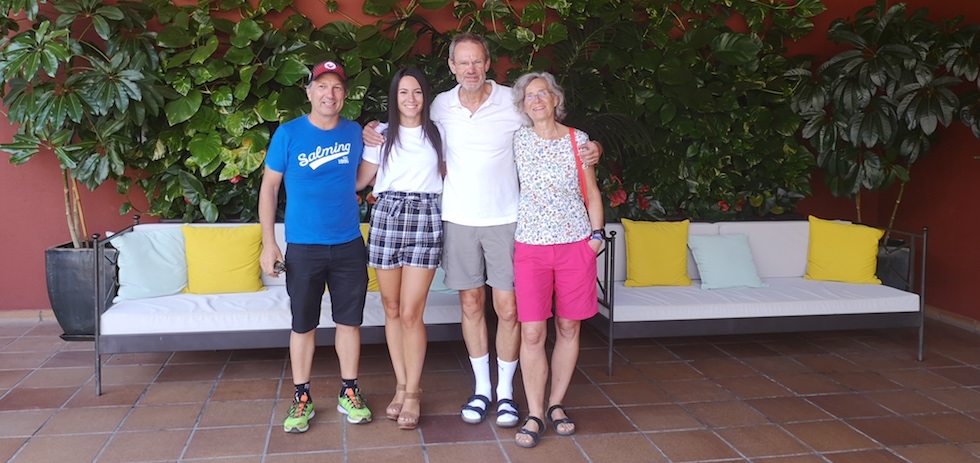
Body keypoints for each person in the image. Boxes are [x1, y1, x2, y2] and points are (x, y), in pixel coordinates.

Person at [364, 32, 601, 428]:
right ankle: (482, 389)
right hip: (457, 218)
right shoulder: (439, 105)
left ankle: (506, 393)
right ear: (452, 67)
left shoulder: (512, 101)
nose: (470, 69)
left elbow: (553, 131)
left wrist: (593, 149)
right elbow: (404, 119)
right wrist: (372, 128)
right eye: (463, 62)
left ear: (488, 64)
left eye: (477, 61)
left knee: (508, 308)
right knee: (471, 305)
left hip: (508, 220)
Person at [259, 60, 372, 434]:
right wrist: (269, 244)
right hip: (304, 246)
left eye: (337, 87)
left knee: (349, 322)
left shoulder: (354, 132)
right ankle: (301, 396)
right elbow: (269, 188)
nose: (329, 94)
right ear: (309, 92)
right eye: (322, 86)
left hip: (348, 244)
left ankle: (349, 391)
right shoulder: (288, 134)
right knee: (303, 324)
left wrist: (377, 138)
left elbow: (358, 180)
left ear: (345, 95)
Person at [510, 71, 604, 448]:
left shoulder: (578, 140)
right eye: (529, 96)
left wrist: (596, 237)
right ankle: (534, 412)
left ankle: (556, 404)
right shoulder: (516, 139)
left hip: (574, 245)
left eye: (542, 93)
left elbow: (591, 192)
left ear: (555, 99)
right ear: (522, 106)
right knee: (532, 331)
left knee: (568, 327)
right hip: (530, 247)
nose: (536, 100)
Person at [355, 67, 445, 431]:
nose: (411, 99)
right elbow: (360, 180)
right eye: (404, 92)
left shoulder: (439, 132)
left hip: (426, 216)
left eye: (417, 92)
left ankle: (413, 393)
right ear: (394, 97)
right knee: (391, 308)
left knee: (411, 312)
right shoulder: (380, 133)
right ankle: (401, 385)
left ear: (426, 96)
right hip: (387, 216)